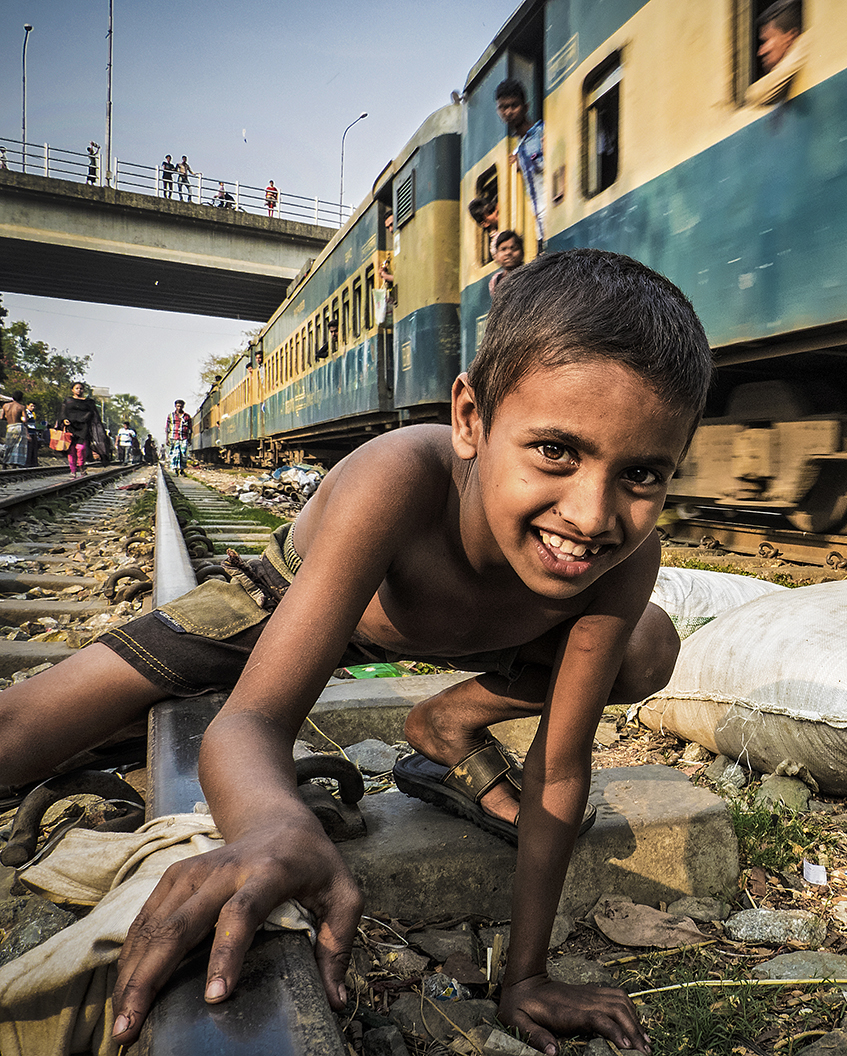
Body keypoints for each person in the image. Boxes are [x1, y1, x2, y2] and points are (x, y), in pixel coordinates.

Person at [0, 249, 708, 1055]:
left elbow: (560, 765)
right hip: (292, 606)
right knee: (23, 732)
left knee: (647, 646)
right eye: (555, 451)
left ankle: (447, 724)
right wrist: (275, 824)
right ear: (470, 420)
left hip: (490, 634)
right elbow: (252, 721)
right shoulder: (398, 476)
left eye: (641, 473)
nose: (591, 514)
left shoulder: (617, 558)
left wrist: (527, 977)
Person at [496, 79, 546, 250]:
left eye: (514, 106)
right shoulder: (520, 147)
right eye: (503, 107)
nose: (508, 112)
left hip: (552, 216)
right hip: (540, 225)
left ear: (526, 107)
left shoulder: (542, 132)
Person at [746, 0, 807, 106]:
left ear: (791, 36)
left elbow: (757, 94)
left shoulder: (808, 44)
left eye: (765, 41)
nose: (760, 52)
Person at [62, 382, 100, 477]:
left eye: (81, 388)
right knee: (71, 450)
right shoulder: (68, 401)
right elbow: (62, 413)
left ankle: (81, 466)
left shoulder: (89, 402)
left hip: (83, 427)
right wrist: (64, 420)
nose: (79, 390)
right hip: (71, 427)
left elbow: (92, 414)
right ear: (72, 390)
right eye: (77, 388)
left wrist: (84, 419)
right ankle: (73, 470)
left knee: (81, 448)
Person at [489, 229, 526, 297]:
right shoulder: (495, 281)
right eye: (503, 249)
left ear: (522, 252)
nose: (508, 253)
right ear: (496, 255)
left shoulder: (530, 275)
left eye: (514, 248)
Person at [166, 399, 193, 474]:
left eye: (181, 406)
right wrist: (167, 439)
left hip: (184, 437)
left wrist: (190, 439)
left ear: (183, 406)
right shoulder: (171, 416)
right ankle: (175, 469)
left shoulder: (187, 416)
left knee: (183, 453)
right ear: (175, 406)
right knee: (174, 453)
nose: (179, 408)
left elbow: (190, 429)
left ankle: (182, 469)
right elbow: (167, 428)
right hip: (173, 437)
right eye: (178, 406)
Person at [1, 394, 27, 467]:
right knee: (18, 446)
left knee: (9, 445)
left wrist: (8, 418)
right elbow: (24, 420)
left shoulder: (5, 406)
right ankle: (15, 463)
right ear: (21, 398)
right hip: (18, 427)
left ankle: (5, 462)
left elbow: (1, 417)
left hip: (10, 427)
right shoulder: (21, 407)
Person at [23, 401, 42, 467]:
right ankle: (27, 463)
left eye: (34, 406)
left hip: (33, 432)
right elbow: (25, 423)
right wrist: (27, 434)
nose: (33, 408)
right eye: (31, 406)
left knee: (33, 448)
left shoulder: (32, 414)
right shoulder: (25, 413)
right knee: (29, 449)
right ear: (27, 406)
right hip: (29, 432)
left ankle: (33, 463)